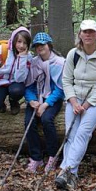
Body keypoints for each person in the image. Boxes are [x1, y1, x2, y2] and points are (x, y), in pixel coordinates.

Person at [55, 20, 96, 190]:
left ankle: (65, 170)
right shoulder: (73, 54)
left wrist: (86, 105)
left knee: (83, 132)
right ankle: (71, 175)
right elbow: (66, 80)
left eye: (91, 32)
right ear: (80, 34)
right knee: (70, 134)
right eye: (85, 32)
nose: (88, 35)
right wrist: (73, 102)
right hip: (75, 99)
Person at [23, 32, 65, 173]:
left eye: (43, 45)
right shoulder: (34, 63)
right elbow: (28, 86)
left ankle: (53, 156)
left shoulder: (59, 63)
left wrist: (46, 104)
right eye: (37, 46)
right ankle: (36, 157)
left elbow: (60, 89)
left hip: (52, 99)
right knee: (29, 121)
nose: (40, 48)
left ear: (49, 45)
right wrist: (32, 100)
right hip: (37, 98)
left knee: (47, 119)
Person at [0, 26, 32, 115]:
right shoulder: (1, 50)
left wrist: (22, 58)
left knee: (17, 91)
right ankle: (0, 103)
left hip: (15, 83)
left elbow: (20, 79)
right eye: (19, 41)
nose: (21, 45)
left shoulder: (28, 56)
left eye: (25, 43)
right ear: (14, 40)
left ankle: (13, 101)